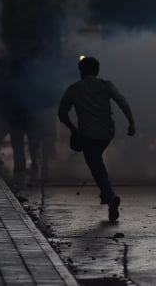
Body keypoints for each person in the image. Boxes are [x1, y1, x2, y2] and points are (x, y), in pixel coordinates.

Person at [58, 56, 136, 222]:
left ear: (81, 71)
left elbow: (62, 113)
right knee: (96, 162)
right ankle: (106, 194)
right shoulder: (106, 85)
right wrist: (131, 122)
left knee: (96, 165)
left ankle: (110, 196)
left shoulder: (74, 89)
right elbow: (122, 102)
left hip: (87, 134)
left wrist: (73, 129)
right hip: (107, 133)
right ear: (97, 70)